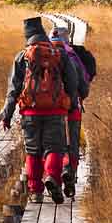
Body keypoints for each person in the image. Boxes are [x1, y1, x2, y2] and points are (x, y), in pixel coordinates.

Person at [2, 17, 81, 204]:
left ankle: (35, 191)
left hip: (30, 112)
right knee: (54, 148)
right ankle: (52, 177)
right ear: (44, 34)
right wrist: (71, 105)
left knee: (33, 151)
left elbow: (13, 89)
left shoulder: (22, 56)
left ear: (27, 37)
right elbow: (72, 82)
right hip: (55, 111)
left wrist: (7, 115)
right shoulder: (59, 55)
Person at [49, 21, 90, 199]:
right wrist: (80, 97)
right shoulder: (72, 56)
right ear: (67, 39)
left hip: (50, 109)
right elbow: (83, 84)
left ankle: (53, 178)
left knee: (52, 145)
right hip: (72, 108)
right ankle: (70, 176)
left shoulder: (44, 56)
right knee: (72, 143)